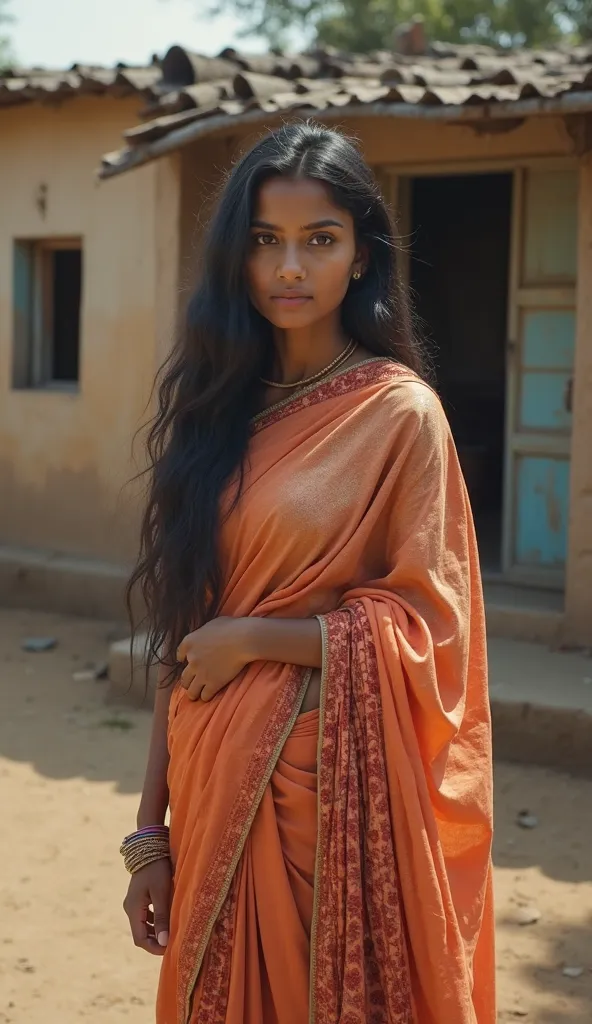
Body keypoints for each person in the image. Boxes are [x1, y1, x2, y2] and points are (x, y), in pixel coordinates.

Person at [122, 121, 495, 1024]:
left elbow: (430, 631)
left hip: (323, 795)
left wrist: (255, 637)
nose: (290, 267)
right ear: (235, 259)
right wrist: (147, 836)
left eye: (319, 241)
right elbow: (184, 634)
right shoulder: (218, 412)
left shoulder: (400, 416)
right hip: (210, 784)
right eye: (265, 241)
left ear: (362, 257)